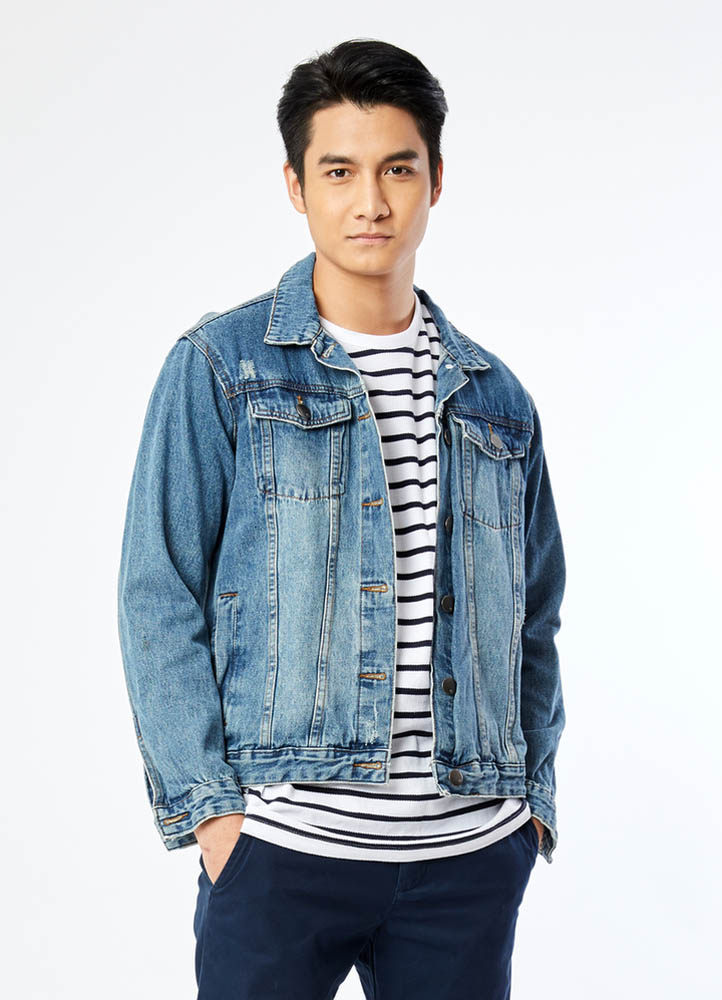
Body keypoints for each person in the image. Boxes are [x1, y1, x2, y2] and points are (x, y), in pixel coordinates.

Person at [117, 37, 566, 1000]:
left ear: (436, 180)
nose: (371, 202)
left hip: (466, 864)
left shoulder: (496, 399)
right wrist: (216, 819)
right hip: (279, 858)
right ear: (296, 185)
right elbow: (158, 594)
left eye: (397, 169)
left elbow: (535, 617)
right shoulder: (222, 367)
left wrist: (528, 808)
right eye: (339, 172)